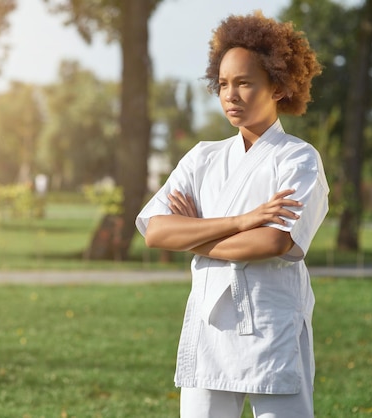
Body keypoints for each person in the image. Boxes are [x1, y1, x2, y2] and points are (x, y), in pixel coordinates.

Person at [135, 12, 329, 418]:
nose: (230, 95)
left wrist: (193, 236)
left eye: (244, 82)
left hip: (271, 325)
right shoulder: (202, 157)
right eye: (222, 84)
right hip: (209, 329)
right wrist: (243, 221)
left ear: (277, 87)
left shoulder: (297, 159)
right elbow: (155, 232)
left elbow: (275, 241)